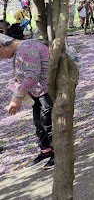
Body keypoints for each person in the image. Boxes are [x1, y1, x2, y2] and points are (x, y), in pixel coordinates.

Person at [1, 34, 54, 170]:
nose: (1, 58)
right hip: (37, 92)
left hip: (46, 91)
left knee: (48, 123)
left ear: (1, 46)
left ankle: (58, 153)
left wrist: (18, 98)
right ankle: (45, 151)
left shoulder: (27, 48)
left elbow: (32, 76)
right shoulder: (21, 49)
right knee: (39, 123)